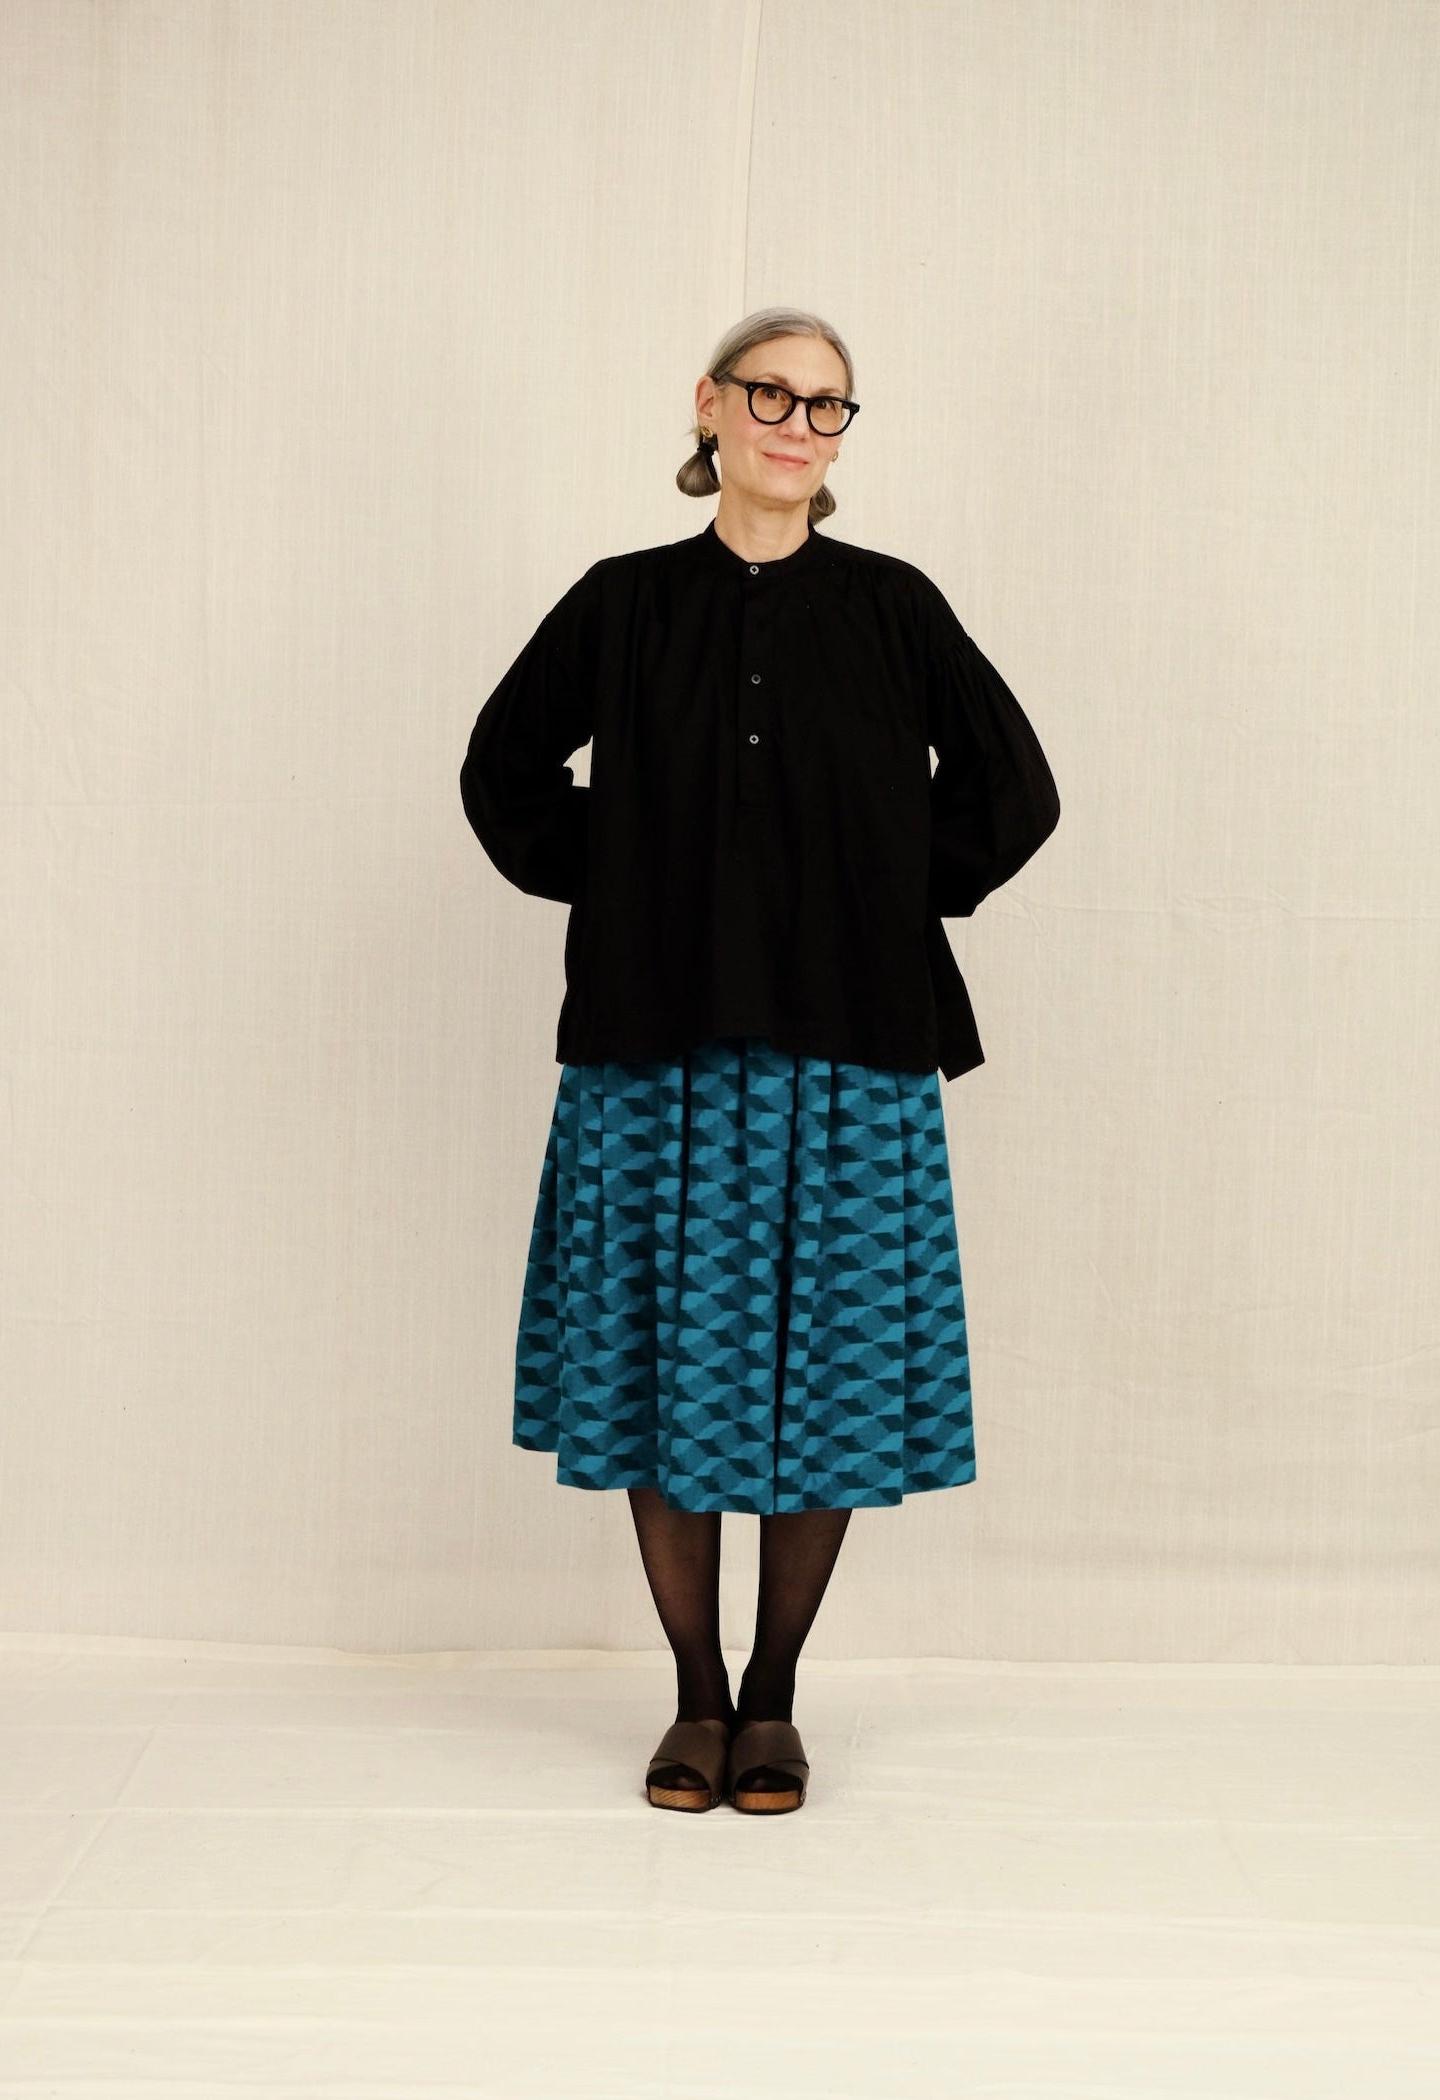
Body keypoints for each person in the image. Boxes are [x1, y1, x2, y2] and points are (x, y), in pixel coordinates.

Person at [459, 306, 1061, 1815]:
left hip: (851, 1047)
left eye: (829, 404)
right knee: (663, 1361)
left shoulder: (894, 608)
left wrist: (876, 885)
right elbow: (500, 772)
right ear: (711, 406)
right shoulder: (622, 603)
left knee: (830, 1368)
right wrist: (630, 875)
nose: (799, 424)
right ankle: (695, 1698)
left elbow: (1017, 789)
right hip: (653, 1043)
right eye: (773, 394)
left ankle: (777, 1701)